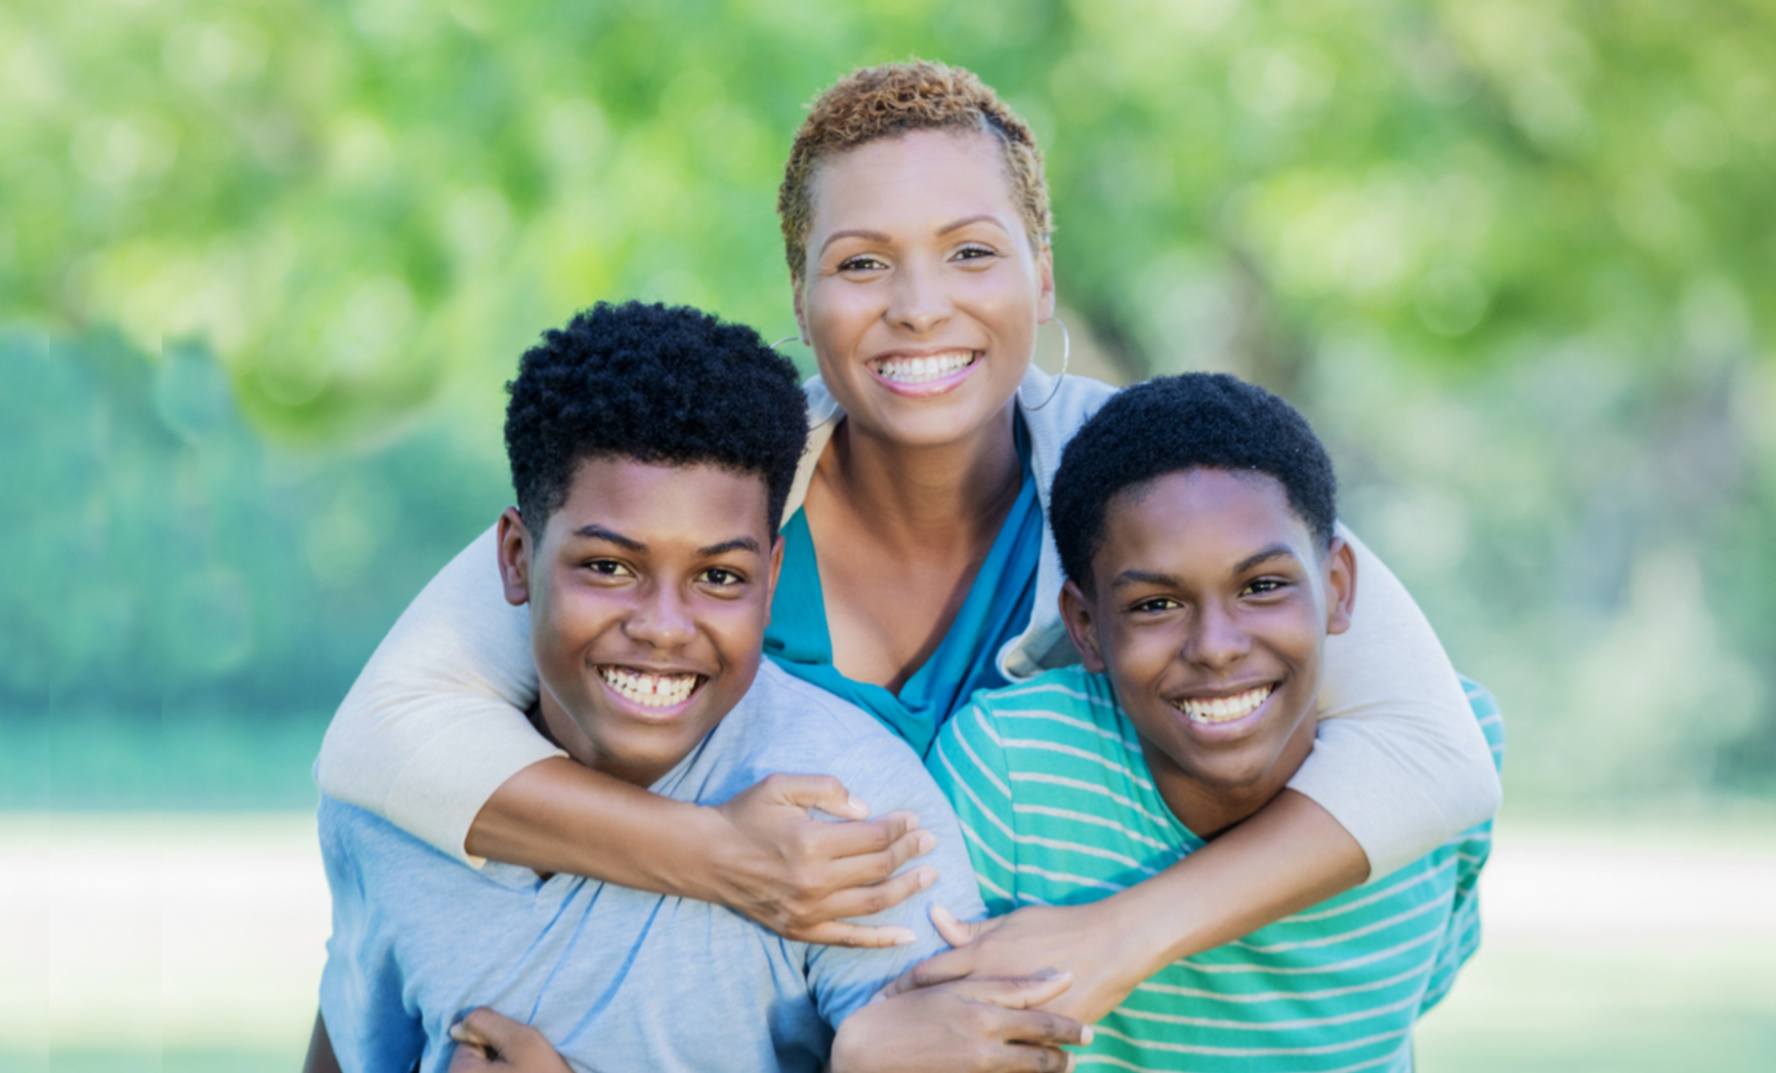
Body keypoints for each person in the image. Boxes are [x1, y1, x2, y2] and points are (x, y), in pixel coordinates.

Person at [314, 60, 1500, 1020]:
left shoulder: (1136, 481)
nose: (918, 303)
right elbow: (384, 737)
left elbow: (1433, 755)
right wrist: (719, 853)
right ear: (801, 295)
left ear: (1044, 275)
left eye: (972, 250)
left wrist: (1112, 941)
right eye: (861, 262)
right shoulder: (709, 496)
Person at [309, 301, 1086, 1073]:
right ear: (516, 557)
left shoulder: (849, 814)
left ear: (772, 577)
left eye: (719, 576)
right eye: (609, 567)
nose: (664, 627)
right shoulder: (392, 815)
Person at [922, 373, 1503, 1070]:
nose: (1218, 645)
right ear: (1085, 626)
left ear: (1339, 588)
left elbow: (1403, 1011)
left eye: (1261, 587)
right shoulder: (1008, 773)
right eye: (1156, 605)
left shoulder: (1459, 751)